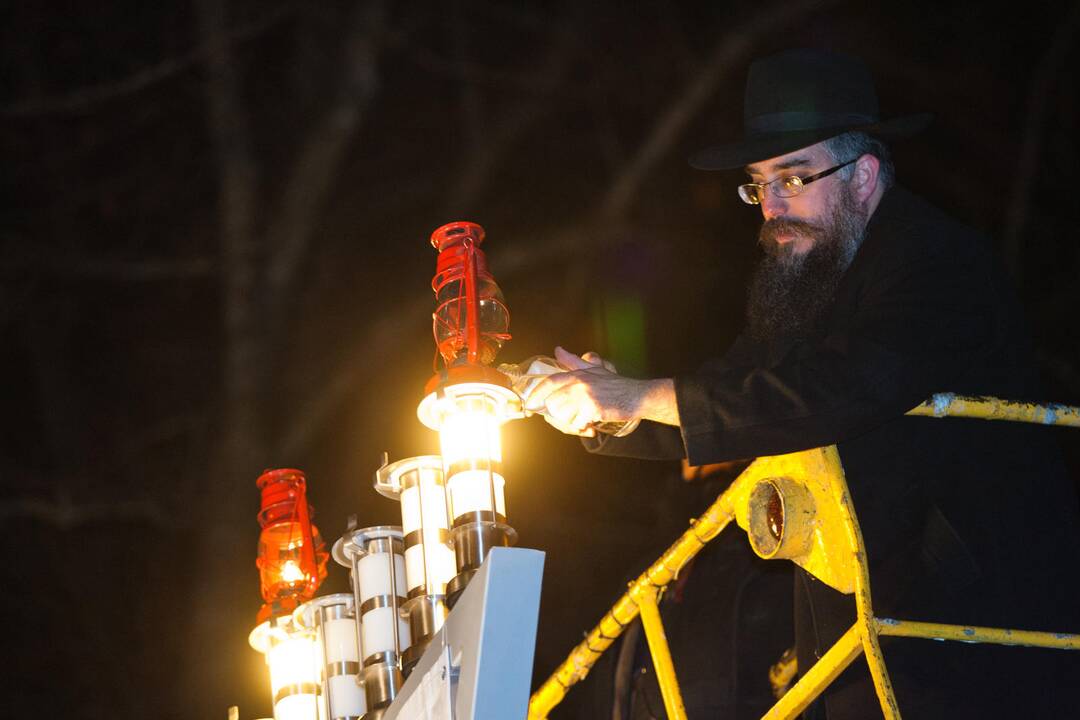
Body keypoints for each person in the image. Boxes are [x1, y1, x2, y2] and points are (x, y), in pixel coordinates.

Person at [525, 48, 1080, 719]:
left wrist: (639, 397)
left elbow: (847, 387)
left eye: (793, 178)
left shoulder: (937, 261)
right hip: (857, 644)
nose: (771, 207)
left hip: (973, 640)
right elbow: (733, 389)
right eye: (759, 185)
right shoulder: (809, 284)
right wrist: (603, 408)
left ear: (865, 175)